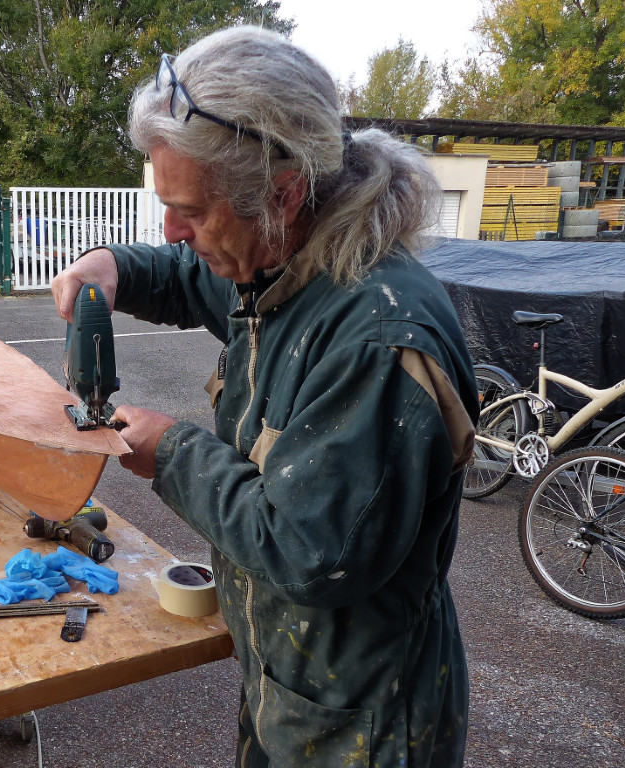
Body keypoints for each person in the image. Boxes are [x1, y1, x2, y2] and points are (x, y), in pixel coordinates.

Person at [52, 26, 478, 768]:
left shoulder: (373, 339)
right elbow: (196, 277)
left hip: (363, 724)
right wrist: (117, 267)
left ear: (283, 192)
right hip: (288, 683)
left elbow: (313, 550)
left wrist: (175, 453)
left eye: (190, 209)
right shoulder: (282, 261)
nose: (171, 230)